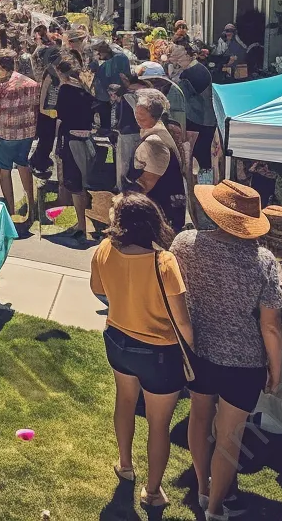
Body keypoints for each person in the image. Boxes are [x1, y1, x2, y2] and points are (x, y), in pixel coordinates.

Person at [172, 181, 282, 521]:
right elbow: (270, 326)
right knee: (229, 439)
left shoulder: (184, 243)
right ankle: (216, 508)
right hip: (245, 363)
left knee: (199, 417)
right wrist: (276, 371)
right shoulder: (263, 261)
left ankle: (203, 488)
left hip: (198, 352)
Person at [90, 194, 194, 511]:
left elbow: (98, 290)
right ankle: (152, 492)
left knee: (124, 401)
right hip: (160, 353)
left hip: (118, 340)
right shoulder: (163, 262)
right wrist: (195, 351)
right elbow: (183, 321)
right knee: (158, 424)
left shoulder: (103, 250)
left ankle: (125, 465)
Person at [127, 89, 188, 233]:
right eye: (136, 115)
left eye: (142, 118)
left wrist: (127, 201)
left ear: (155, 116)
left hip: (161, 208)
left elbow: (147, 182)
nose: (137, 120)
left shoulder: (155, 142)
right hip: (165, 206)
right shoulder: (161, 129)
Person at [0, 53, 39, 218]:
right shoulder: (30, 83)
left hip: (6, 134)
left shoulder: (0, 85)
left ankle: (11, 210)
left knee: (5, 172)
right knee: (24, 165)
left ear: (1, 67)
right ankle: (31, 206)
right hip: (27, 132)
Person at [55, 60, 96, 243]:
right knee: (85, 181)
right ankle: (85, 223)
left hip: (71, 139)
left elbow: (61, 114)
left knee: (75, 184)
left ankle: (81, 226)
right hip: (87, 139)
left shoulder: (65, 90)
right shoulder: (87, 89)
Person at [179, 42, 217, 173]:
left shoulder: (194, 72)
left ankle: (205, 186)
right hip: (202, 118)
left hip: (201, 119)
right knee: (202, 156)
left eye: (180, 56)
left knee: (202, 156)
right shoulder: (197, 69)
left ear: (189, 55)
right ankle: (202, 184)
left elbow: (182, 95)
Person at [92, 41, 131, 134]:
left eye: (99, 53)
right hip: (117, 89)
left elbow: (108, 76)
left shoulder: (112, 61)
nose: (98, 55)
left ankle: (107, 129)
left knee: (109, 111)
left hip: (111, 90)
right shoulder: (119, 57)